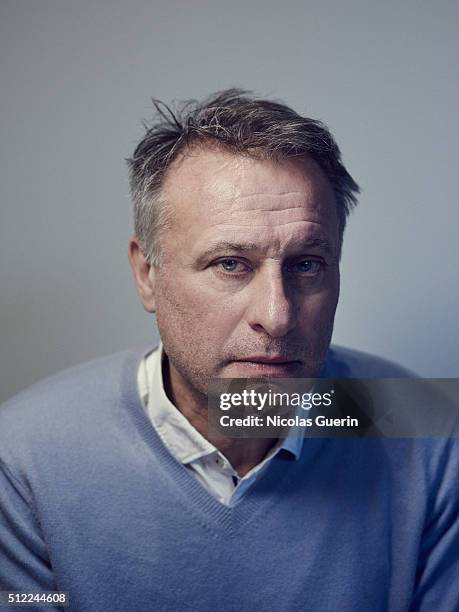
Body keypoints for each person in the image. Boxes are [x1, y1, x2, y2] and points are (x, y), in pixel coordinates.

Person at [0, 89, 457, 611]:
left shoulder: (429, 439)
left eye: (307, 264)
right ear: (147, 274)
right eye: (231, 264)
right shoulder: (24, 463)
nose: (277, 315)